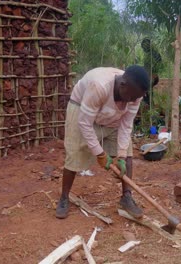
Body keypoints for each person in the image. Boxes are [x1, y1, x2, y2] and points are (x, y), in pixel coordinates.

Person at [56, 65, 150, 219]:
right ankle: (64, 198)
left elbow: (126, 126)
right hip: (82, 109)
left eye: (136, 98)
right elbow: (85, 123)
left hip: (111, 115)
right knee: (75, 153)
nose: (133, 101)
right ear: (122, 85)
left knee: (127, 154)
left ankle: (127, 197)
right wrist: (100, 154)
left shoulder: (135, 94)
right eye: (132, 97)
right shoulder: (99, 86)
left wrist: (121, 156)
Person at [141, 38, 162, 105]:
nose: (143, 50)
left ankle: (148, 105)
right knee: (148, 91)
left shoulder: (152, 54)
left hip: (152, 77)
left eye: (143, 47)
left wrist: (151, 74)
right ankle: (149, 106)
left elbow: (155, 66)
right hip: (153, 76)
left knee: (146, 91)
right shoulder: (153, 53)